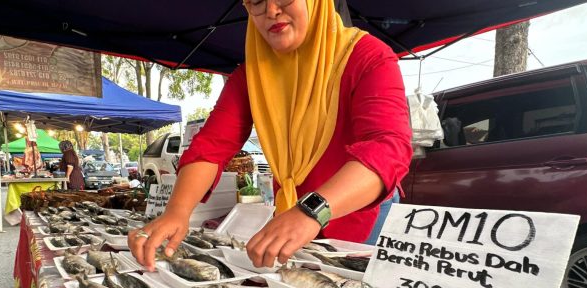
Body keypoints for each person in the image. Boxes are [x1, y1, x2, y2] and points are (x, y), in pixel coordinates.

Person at [130, 0, 411, 269]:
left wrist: (311, 211)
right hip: (295, 212)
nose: (272, 11)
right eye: (256, 2)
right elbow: (211, 145)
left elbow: (387, 148)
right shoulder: (252, 74)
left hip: (362, 210)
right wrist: (177, 212)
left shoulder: (368, 55)